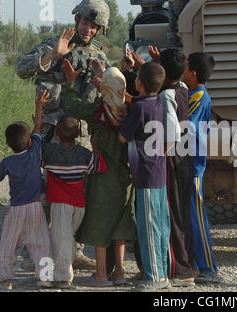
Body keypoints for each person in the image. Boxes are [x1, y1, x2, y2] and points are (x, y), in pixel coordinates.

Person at [15, 0, 111, 270]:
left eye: (94, 26)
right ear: (76, 19)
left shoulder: (98, 55)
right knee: (44, 191)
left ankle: (73, 249)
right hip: (48, 130)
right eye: (85, 22)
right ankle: (32, 251)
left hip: (77, 133)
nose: (87, 29)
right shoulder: (54, 43)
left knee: (77, 193)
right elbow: (21, 68)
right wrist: (54, 54)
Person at [62, 59, 136, 287]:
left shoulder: (97, 112)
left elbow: (72, 104)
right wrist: (106, 80)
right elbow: (118, 93)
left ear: (103, 90)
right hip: (125, 179)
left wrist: (71, 82)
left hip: (102, 178)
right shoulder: (131, 112)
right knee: (119, 227)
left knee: (100, 225)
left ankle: (101, 274)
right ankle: (121, 273)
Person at [0, 91, 52, 290]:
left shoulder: (7, 162)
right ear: (30, 142)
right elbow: (38, 128)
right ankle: (46, 278)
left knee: (9, 244)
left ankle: (6, 280)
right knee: (41, 244)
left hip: (15, 210)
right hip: (34, 207)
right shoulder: (33, 153)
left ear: (7, 144)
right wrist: (39, 106)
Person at [119, 61, 171, 292]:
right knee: (161, 226)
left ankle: (154, 277)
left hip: (146, 174)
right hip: (159, 171)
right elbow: (141, 103)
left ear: (139, 82)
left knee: (148, 227)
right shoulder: (159, 102)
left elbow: (123, 137)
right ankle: (163, 272)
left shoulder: (139, 109)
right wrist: (130, 98)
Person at [42, 115, 107, 288]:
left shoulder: (49, 152)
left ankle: (64, 277)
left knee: (61, 238)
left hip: (59, 203)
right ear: (78, 133)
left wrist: (40, 127)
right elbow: (101, 167)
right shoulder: (84, 154)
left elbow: (35, 151)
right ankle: (60, 271)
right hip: (79, 205)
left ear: (56, 132)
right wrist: (95, 148)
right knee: (67, 237)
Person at [149, 46, 196, 287]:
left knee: (172, 215)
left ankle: (181, 270)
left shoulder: (165, 96)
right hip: (186, 157)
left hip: (173, 159)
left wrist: (161, 155)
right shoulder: (183, 88)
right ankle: (189, 264)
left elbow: (172, 132)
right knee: (183, 213)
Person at [182, 52, 223, 283]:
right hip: (188, 163)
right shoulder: (193, 93)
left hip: (194, 164)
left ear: (193, 73)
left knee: (198, 218)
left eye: (186, 67)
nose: (183, 71)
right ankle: (197, 266)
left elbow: (185, 123)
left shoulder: (198, 96)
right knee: (189, 217)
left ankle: (209, 268)